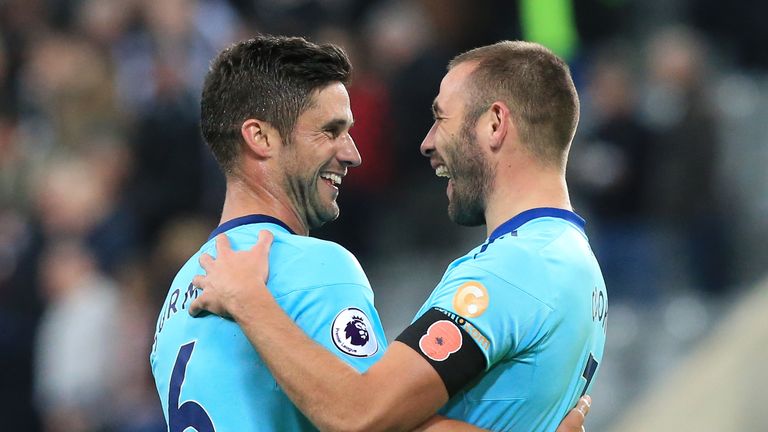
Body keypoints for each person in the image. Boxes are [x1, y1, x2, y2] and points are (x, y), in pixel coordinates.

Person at [150, 35, 590, 431]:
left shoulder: (176, 299)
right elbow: (372, 420)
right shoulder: (313, 268)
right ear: (260, 138)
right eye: (330, 131)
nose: (354, 154)